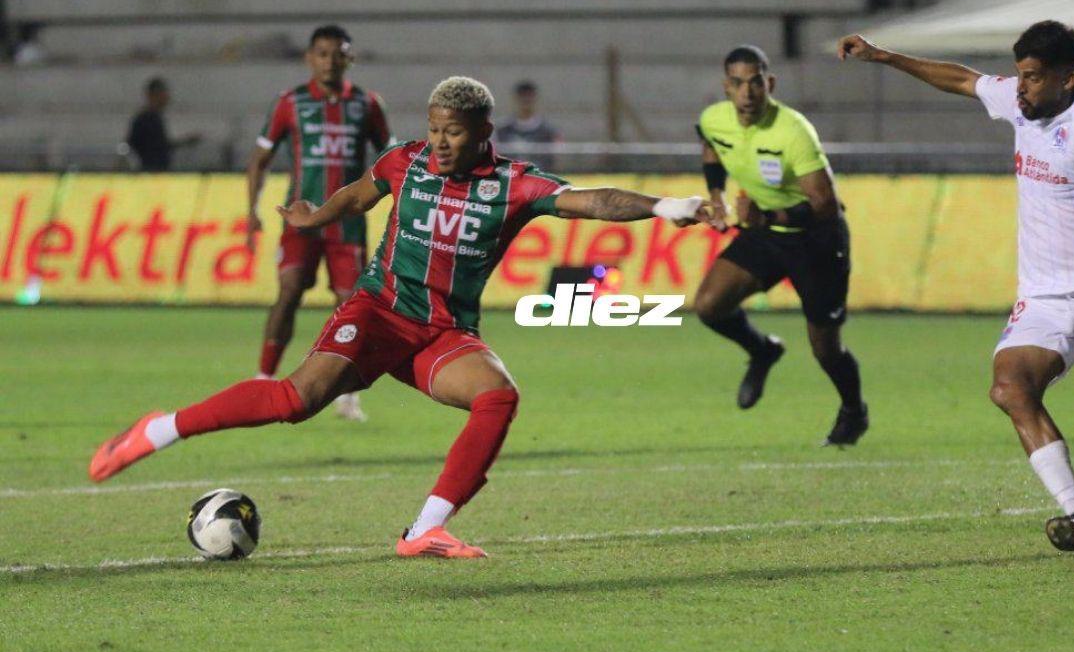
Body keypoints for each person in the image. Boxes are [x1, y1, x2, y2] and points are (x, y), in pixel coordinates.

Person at [89, 76, 708, 559]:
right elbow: (361, 193)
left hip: (442, 333)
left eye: (454, 133)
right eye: (435, 128)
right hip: (379, 312)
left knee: (497, 397)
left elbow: (592, 201)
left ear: (485, 131)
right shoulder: (405, 161)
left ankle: (426, 529)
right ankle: (161, 428)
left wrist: (667, 205)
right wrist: (316, 218)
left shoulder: (513, 185)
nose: (440, 142)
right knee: (294, 401)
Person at [838, 20, 1074, 553]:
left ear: (1067, 77)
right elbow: (962, 81)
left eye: (1032, 77)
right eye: (1019, 75)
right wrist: (884, 56)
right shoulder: (1022, 100)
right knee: (1009, 388)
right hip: (1045, 294)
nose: (1021, 87)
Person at [694, 45, 867, 446]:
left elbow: (824, 205)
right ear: (726, 87)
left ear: (769, 83)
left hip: (817, 241)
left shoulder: (792, 130)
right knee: (708, 305)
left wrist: (764, 218)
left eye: (755, 82)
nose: (747, 92)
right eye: (737, 83)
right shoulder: (713, 120)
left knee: (825, 349)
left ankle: (853, 411)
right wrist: (716, 196)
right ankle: (763, 350)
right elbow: (709, 145)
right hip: (766, 233)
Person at [246, 25, 393, 421]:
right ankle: (263, 378)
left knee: (351, 306)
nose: (329, 61)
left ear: (349, 59)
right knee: (289, 290)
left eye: (337, 54)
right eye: (322, 53)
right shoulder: (289, 103)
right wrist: (252, 211)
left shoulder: (367, 104)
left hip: (347, 224)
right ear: (310, 58)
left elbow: (391, 161)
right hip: (302, 221)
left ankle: (346, 393)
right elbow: (259, 160)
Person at [125, 77, 201, 172]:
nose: (167, 98)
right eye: (163, 94)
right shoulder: (147, 119)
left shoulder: (151, 117)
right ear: (154, 95)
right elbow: (160, 147)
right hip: (152, 170)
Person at [494, 80, 563, 145]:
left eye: (529, 96)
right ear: (515, 99)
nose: (526, 100)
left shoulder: (549, 131)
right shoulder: (502, 130)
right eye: (522, 97)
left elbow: (558, 153)